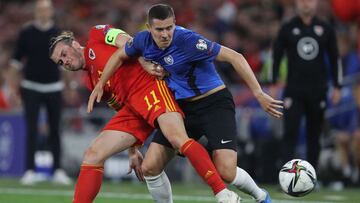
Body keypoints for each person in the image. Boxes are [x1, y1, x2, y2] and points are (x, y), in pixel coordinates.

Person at [88, 4, 283, 203]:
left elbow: (236, 57)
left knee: (226, 171)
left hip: (214, 104)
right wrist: (101, 84)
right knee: (150, 167)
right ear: (149, 28)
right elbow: (120, 55)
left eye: (169, 28)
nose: (165, 34)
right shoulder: (142, 41)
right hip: (183, 108)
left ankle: (262, 197)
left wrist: (259, 93)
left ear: (175, 24)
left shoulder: (189, 41)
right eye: (159, 29)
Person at [49, 25, 241, 203]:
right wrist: (133, 150)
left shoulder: (96, 34)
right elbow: (118, 105)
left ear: (74, 44)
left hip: (150, 87)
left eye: (64, 54)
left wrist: (144, 62)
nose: (65, 61)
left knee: (178, 139)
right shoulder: (90, 81)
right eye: (60, 61)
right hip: (133, 108)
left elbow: (127, 41)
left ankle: (223, 194)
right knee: (93, 154)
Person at [270, 0, 342, 170]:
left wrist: (337, 86)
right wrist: (273, 82)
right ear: (296, 4)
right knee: (290, 132)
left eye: (309, 0)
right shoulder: (288, 28)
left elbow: (335, 58)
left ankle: (312, 176)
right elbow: (276, 56)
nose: (306, 4)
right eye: (302, 1)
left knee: (314, 134)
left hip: (318, 90)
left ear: (316, 3)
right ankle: (286, 174)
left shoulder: (325, 28)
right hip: (293, 90)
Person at [8, 0, 71, 185]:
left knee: (55, 130)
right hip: (31, 87)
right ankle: (29, 170)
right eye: (40, 10)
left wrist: (70, 87)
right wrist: (12, 89)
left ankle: (58, 170)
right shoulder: (26, 33)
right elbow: (16, 62)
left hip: (54, 87)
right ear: (36, 12)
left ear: (51, 12)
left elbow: (66, 64)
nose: (43, 13)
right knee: (32, 130)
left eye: (46, 9)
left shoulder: (59, 33)